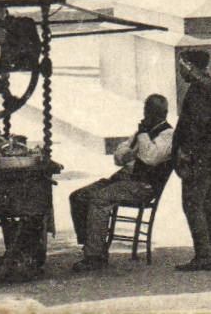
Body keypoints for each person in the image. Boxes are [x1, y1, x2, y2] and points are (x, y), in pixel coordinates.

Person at [68, 93, 176, 273]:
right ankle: (92, 245)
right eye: (147, 111)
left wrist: (141, 136)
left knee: (99, 199)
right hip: (124, 178)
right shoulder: (142, 133)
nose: (148, 116)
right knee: (78, 196)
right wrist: (127, 152)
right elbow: (119, 156)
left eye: (153, 113)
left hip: (143, 185)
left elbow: (150, 157)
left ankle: (94, 256)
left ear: (164, 114)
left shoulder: (168, 134)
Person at [172, 48, 211, 271]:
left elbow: (196, 128)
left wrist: (185, 154)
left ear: (189, 65)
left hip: (201, 160)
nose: (180, 71)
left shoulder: (200, 91)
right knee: (209, 204)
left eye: (181, 66)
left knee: (193, 204)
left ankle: (205, 255)